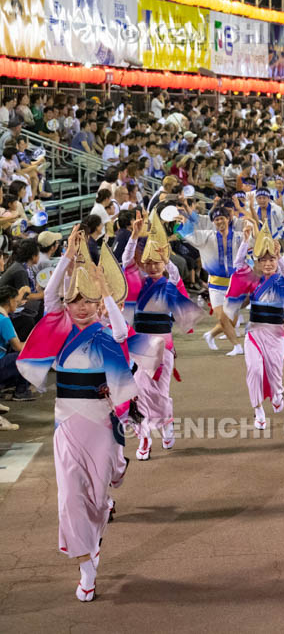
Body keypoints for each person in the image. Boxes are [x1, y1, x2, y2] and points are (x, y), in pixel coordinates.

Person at [16, 226, 137, 601]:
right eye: (75, 300)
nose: (80, 306)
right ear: (67, 305)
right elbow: (50, 295)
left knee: (97, 499)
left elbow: (121, 330)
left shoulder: (106, 332)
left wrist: (104, 290)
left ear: (97, 301)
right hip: (67, 422)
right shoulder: (60, 328)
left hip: (101, 425)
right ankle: (86, 568)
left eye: (88, 300)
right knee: (69, 496)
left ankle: (93, 541)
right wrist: (67, 258)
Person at [121, 213, 202, 460]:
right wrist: (134, 236)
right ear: (144, 265)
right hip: (138, 348)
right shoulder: (137, 285)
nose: (154, 266)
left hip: (164, 348)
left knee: (160, 393)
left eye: (159, 263)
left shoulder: (170, 286)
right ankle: (144, 437)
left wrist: (167, 258)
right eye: (150, 263)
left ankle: (166, 421)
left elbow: (176, 276)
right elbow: (126, 262)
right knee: (139, 390)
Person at [225, 221, 284, 430]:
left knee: (275, 374)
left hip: (276, 335)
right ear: (257, 262)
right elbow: (238, 266)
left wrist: (280, 257)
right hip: (254, 331)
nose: (268, 263)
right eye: (264, 260)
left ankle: (278, 393)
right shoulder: (253, 279)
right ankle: (258, 409)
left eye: (272, 259)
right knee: (254, 370)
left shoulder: (282, 281)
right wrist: (245, 241)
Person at [178, 204, 245, 354]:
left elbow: (256, 240)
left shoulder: (239, 236)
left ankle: (210, 334)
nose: (219, 222)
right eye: (216, 220)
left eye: (222, 218)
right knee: (222, 317)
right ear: (213, 222)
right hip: (215, 285)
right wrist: (185, 221)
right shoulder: (207, 236)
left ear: (228, 219)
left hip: (234, 284)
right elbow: (188, 234)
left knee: (231, 321)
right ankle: (237, 346)